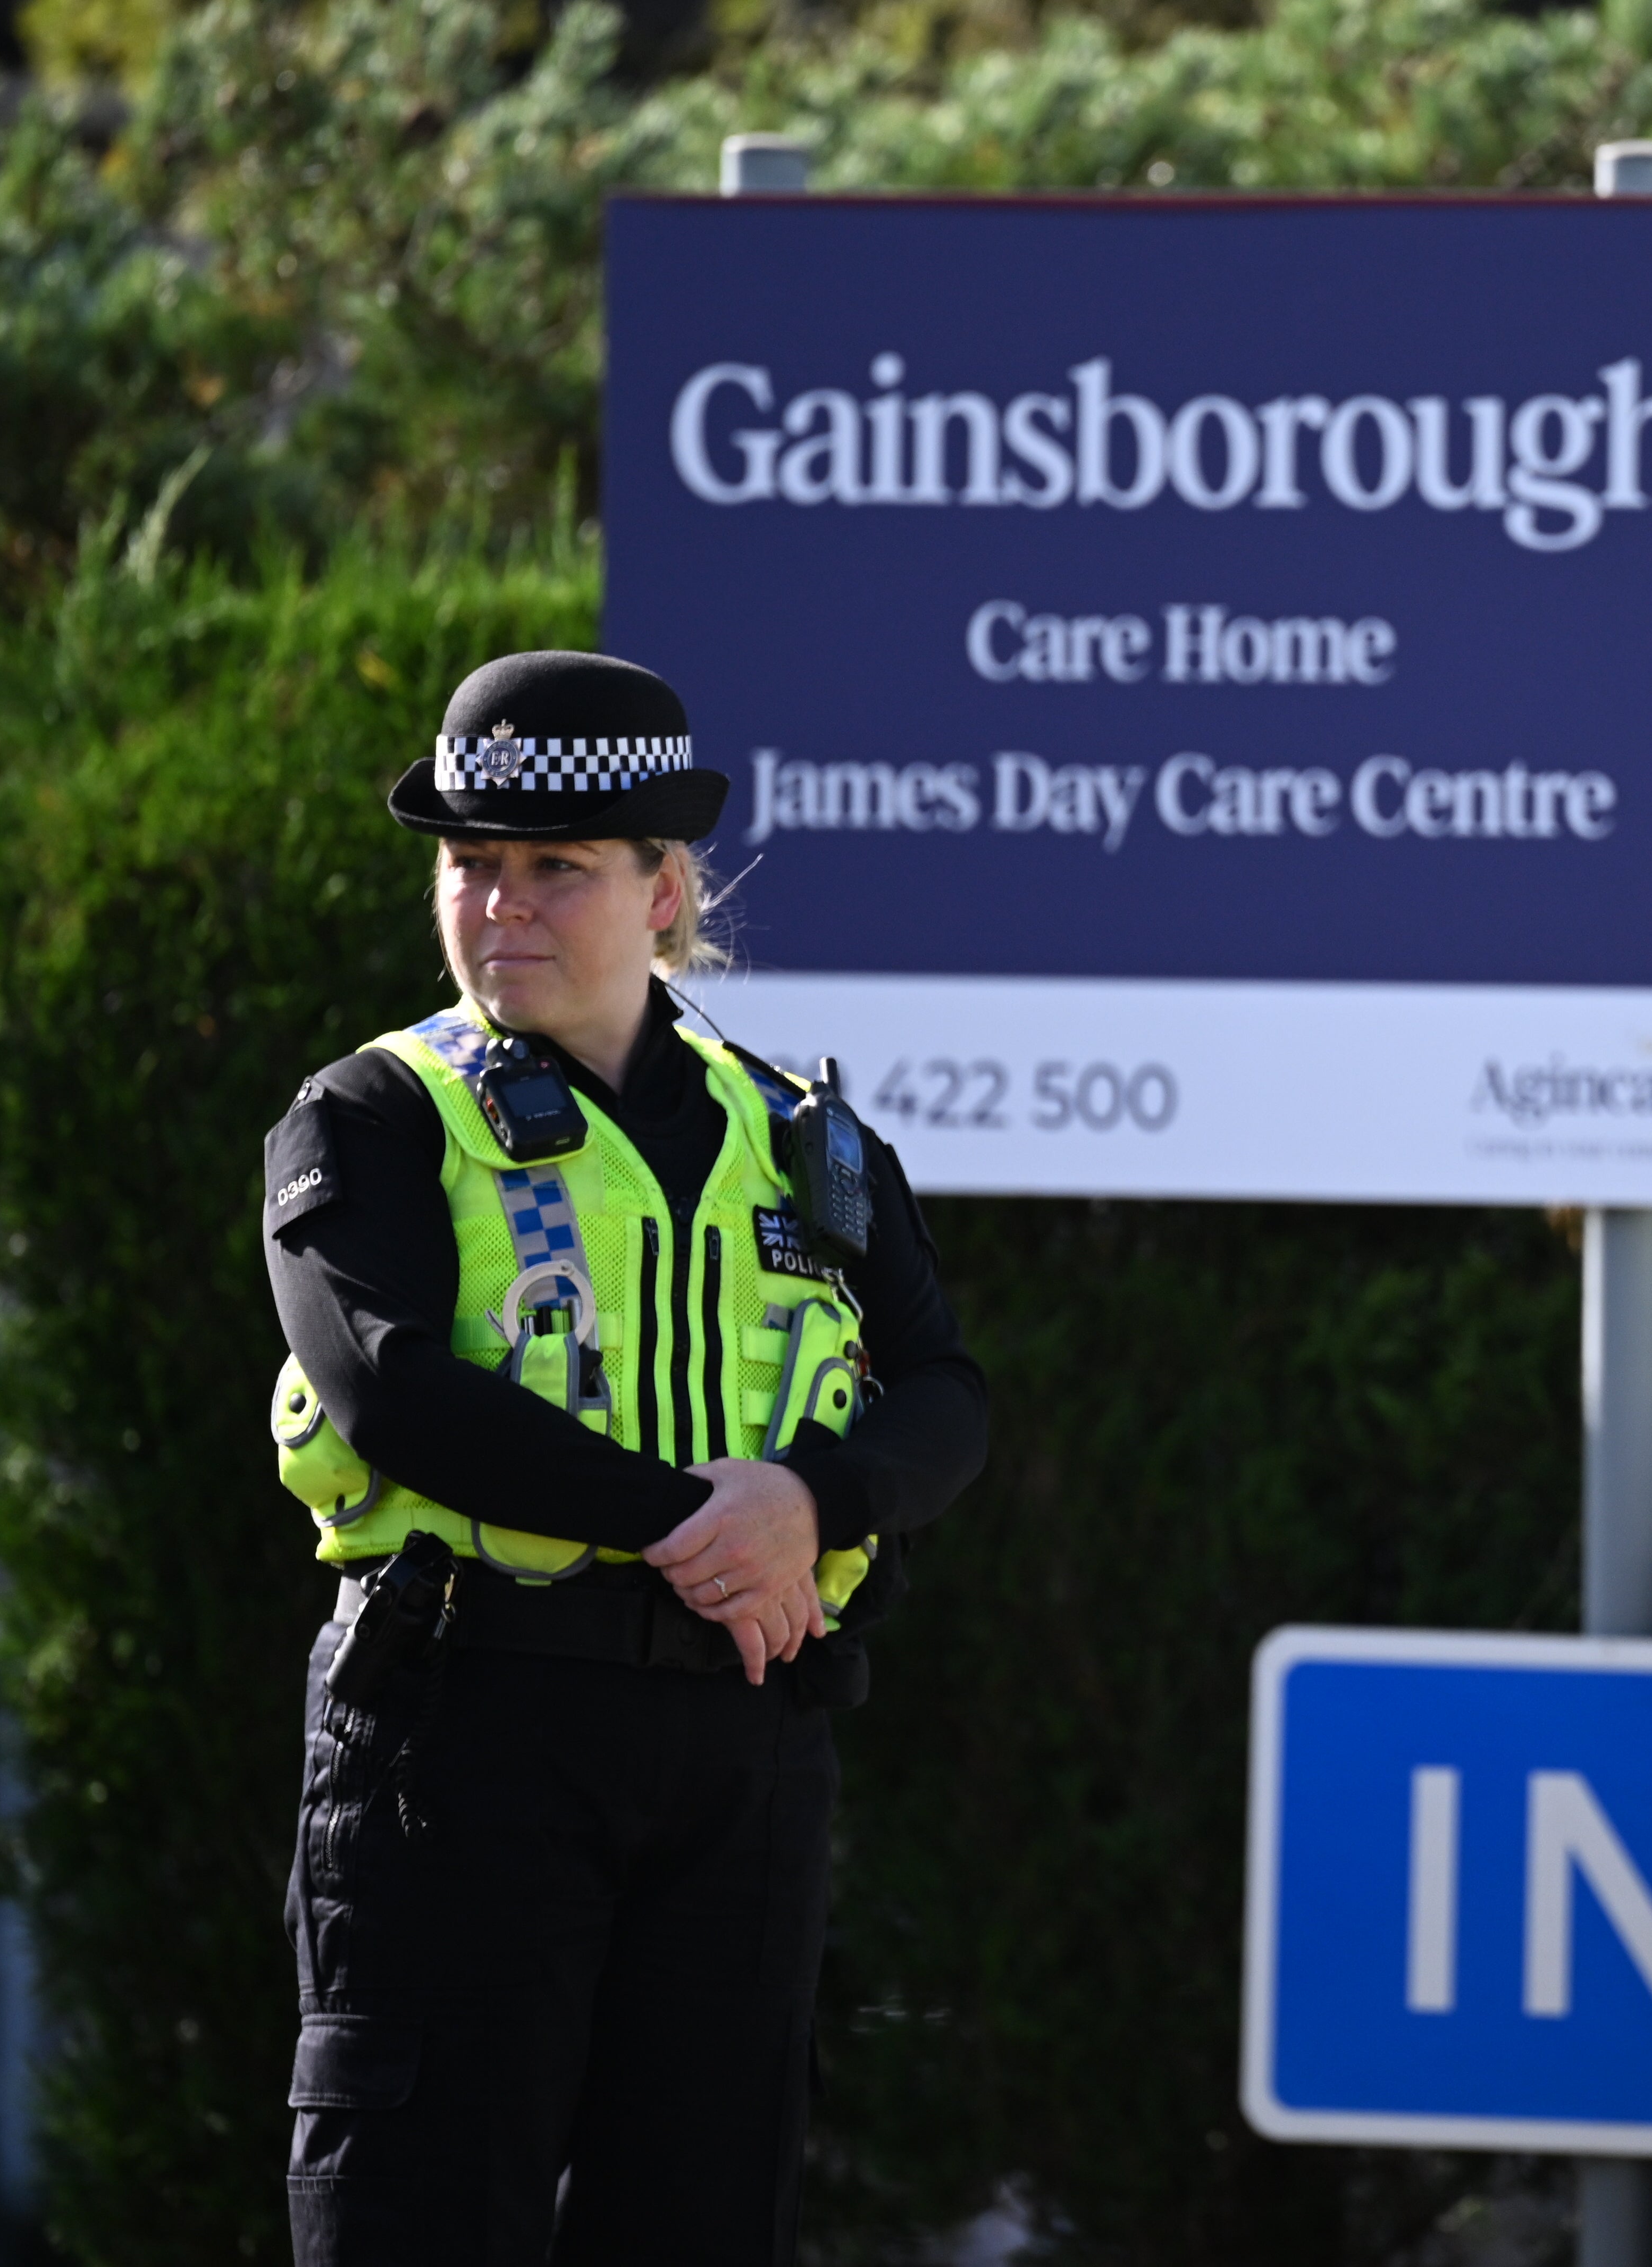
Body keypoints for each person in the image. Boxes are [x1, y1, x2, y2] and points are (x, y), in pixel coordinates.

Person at [258, 650, 987, 2265]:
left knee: (707, 2220)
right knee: (425, 2215)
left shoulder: (810, 1143)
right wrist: (709, 1530)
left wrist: (811, 1504)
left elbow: (945, 1395)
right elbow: (391, 1390)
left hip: (743, 1746)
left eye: (555, 868)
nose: (501, 903)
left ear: (665, 893)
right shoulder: (371, 1115)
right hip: (463, 1729)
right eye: (471, 862)